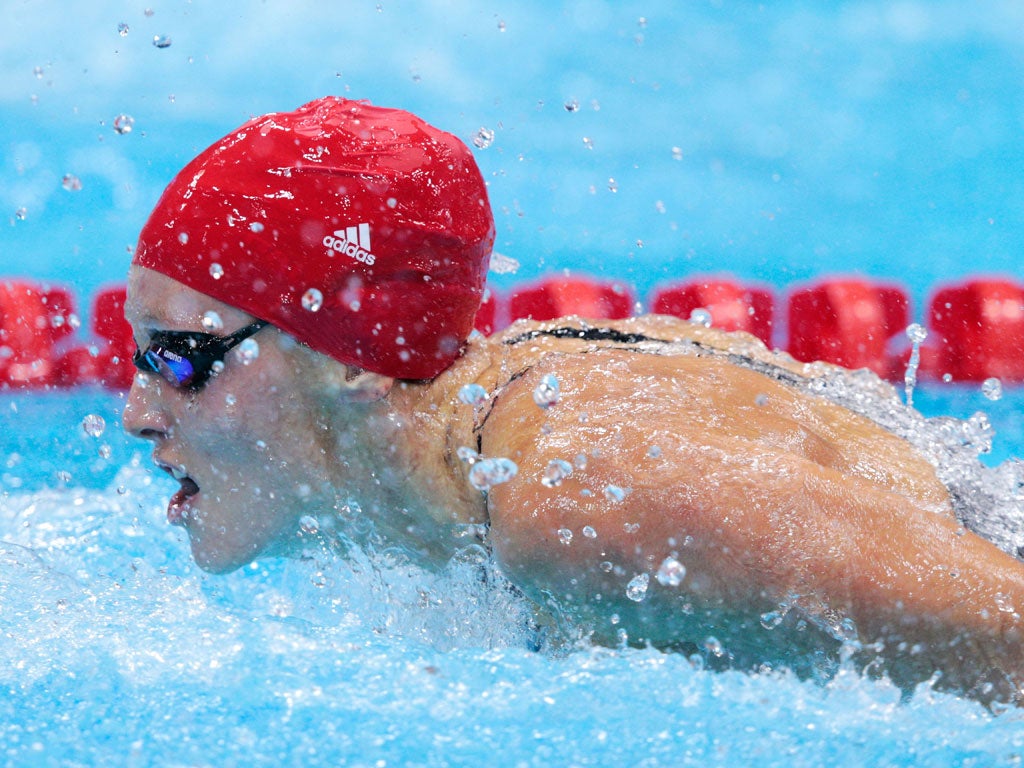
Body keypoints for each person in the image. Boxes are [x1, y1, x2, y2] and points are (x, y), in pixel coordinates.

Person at [123, 96, 1024, 706]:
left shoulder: (593, 498)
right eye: (136, 357)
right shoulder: (442, 472)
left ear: (353, 362)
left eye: (180, 358)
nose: (137, 411)